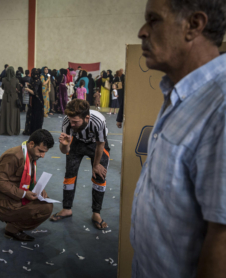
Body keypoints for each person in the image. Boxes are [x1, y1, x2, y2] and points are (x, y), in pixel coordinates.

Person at [130, 0, 226, 277]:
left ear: (194, 25)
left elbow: (221, 239)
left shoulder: (219, 106)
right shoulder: (181, 94)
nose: (142, 32)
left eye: (154, 20)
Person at [50, 99, 110, 230]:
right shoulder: (68, 121)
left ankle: (96, 213)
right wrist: (65, 145)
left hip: (96, 144)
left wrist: (96, 165)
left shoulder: (98, 121)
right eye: (71, 120)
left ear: (86, 117)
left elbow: (101, 144)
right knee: (69, 174)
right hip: (76, 142)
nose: (72, 124)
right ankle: (67, 209)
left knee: (100, 176)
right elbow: (64, 150)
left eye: (75, 122)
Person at [0, 129, 54, 241]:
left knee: (45, 200)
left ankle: (14, 221)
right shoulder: (13, 156)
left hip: (14, 195)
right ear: (31, 144)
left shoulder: (28, 154)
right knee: (46, 208)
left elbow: (26, 176)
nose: (43, 155)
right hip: (5, 202)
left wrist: (38, 187)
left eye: (45, 152)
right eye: (41, 151)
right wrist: (24, 193)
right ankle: (13, 228)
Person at [0, 66, 21, 136]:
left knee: (5, 112)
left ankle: (4, 129)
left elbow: (2, 87)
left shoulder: (4, 79)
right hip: (14, 97)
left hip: (6, 98)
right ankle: (13, 129)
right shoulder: (16, 80)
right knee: (13, 113)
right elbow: (19, 89)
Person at [23, 68, 44, 135]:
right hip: (33, 101)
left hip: (37, 101)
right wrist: (29, 85)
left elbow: (34, 92)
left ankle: (34, 131)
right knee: (32, 115)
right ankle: (32, 130)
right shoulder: (34, 80)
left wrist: (27, 89)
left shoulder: (37, 81)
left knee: (35, 116)